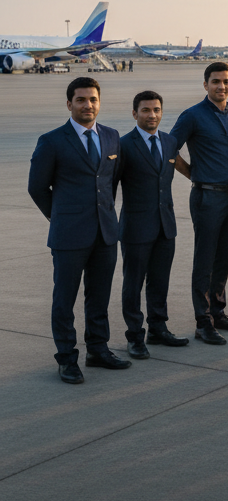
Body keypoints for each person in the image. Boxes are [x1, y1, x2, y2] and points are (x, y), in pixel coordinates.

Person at [28, 76, 130, 383]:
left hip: (105, 234)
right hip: (69, 234)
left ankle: (98, 350)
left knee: (99, 297)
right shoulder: (53, 140)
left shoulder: (112, 137)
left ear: (100, 102)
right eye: (82, 100)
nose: (88, 105)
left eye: (93, 99)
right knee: (65, 300)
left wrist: (104, 215)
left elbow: (110, 182)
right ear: (69, 103)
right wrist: (58, 216)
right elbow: (37, 187)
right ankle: (67, 358)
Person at [169, 62, 228, 345]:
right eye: (215, 81)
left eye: (226, 81)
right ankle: (203, 322)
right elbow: (170, 148)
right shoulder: (192, 116)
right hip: (207, 197)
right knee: (205, 260)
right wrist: (193, 174)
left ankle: (218, 311)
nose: (221, 86)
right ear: (205, 85)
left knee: (224, 257)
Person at [118, 90, 190, 359]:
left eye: (157, 110)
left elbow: (181, 169)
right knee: (133, 284)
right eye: (146, 110)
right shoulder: (123, 145)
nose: (152, 115)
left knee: (160, 282)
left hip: (165, 225)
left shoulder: (170, 142)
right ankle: (135, 336)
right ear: (135, 113)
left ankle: (158, 329)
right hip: (135, 227)